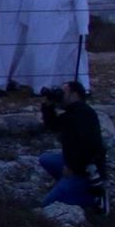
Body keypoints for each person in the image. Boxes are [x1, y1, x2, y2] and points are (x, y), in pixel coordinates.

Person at [37, 80, 107, 215]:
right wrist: (48, 107)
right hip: (73, 163)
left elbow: (89, 148)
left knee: (46, 206)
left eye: (63, 92)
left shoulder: (84, 114)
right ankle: (68, 184)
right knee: (46, 159)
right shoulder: (72, 113)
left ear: (74, 94)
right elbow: (53, 125)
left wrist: (73, 168)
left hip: (85, 170)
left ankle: (90, 197)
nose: (60, 95)